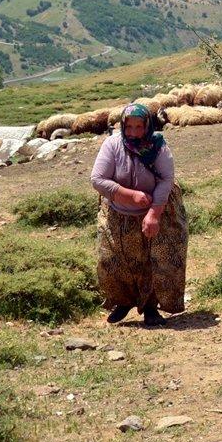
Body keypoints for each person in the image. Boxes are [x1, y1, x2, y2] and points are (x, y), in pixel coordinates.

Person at [90, 103, 187, 326]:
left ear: (148, 126)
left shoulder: (158, 146)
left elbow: (166, 179)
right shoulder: (112, 145)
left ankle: (151, 307)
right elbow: (98, 179)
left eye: (139, 127)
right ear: (123, 126)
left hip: (158, 208)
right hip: (118, 211)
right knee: (115, 258)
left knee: (154, 259)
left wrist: (154, 213)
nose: (134, 132)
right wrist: (129, 195)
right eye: (129, 126)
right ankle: (123, 301)